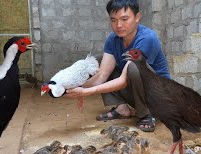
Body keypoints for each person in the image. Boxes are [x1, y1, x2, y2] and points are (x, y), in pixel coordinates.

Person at [66, 0, 171, 132]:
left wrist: (85, 92)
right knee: (98, 61)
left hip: (159, 97)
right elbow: (102, 74)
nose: (119, 25)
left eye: (124, 19)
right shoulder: (113, 39)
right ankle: (122, 108)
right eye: (113, 20)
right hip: (137, 92)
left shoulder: (147, 38)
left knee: (134, 66)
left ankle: (146, 114)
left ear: (137, 17)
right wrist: (74, 88)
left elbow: (122, 80)